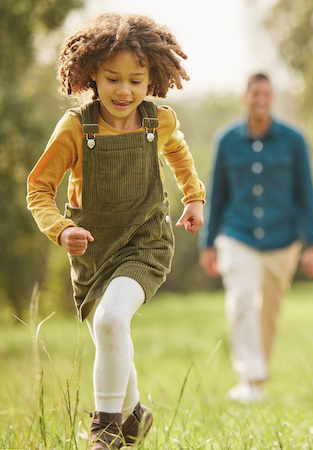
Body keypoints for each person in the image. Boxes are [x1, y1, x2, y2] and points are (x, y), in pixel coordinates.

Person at [26, 13, 205, 449]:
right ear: (92, 76)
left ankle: (104, 428)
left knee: (110, 320)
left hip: (145, 241)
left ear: (152, 81)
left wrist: (194, 197)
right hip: (92, 250)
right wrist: (60, 228)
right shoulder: (76, 127)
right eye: (112, 79)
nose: (124, 91)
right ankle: (136, 415)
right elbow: (39, 188)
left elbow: (179, 156)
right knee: (111, 332)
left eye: (136, 81)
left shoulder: (156, 121)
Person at [199, 72, 313, 404]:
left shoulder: (293, 140)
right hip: (236, 235)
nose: (260, 99)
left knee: (268, 310)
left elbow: (306, 193)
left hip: (282, 239)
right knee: (241, 302)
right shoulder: (226, 140)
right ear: (245, 97)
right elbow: (218, 192)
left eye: (266, 94)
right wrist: (208, 242)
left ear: (273, 98)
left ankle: (257, 377)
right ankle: (249, 378)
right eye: (255, 93)